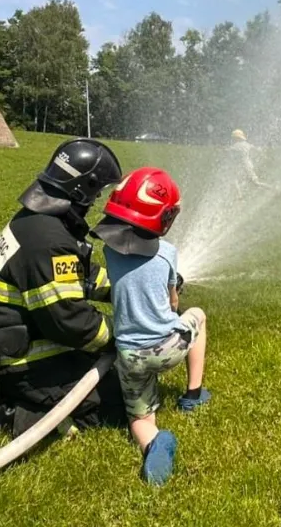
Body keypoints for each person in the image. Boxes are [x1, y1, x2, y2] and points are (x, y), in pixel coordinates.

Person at [0, 138, 125, 442]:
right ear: (82, 190)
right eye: (97, 192)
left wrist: (125, 289)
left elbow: (80, 276)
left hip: (1, 346)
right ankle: (7, 410)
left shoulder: (37, 221)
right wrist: (124, 333)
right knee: (115, 402)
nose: (95, 202)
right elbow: (71, 322)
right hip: (21, 362)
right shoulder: (48, 242)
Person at [93, 167, 210, 486]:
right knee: (198, 315)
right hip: (169, 347)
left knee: (140, 418)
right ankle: (193, 393)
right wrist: (173, 290)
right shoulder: (168, 253)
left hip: (130, 357)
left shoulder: (109, 250)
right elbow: (173, 303)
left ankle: (152, 442)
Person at [229, 129, 275, 195]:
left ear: (237, 138)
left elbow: (229, 150)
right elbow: (256, 149)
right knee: (254, 183)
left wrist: (224, 150)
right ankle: (271, 188)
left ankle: (239, 196)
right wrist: (263, 154)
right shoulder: (247, 144)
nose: (233, 139)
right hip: (248, 165)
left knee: (236, 180)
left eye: (234, 138)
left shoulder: (236, 145)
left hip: (243, 166)